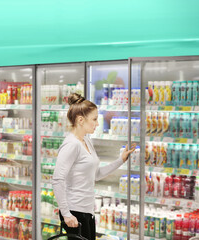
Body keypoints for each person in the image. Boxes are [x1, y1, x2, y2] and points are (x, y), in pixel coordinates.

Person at [52, 93, 136, 240]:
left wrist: (120, 160)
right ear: (80, 120)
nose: (97, 124)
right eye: (95, 119)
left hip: (87, 211)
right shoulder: (71, 145)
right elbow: (57, 180)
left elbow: (96, 174)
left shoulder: (86, 141)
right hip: (74, 212)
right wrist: (66, 214)